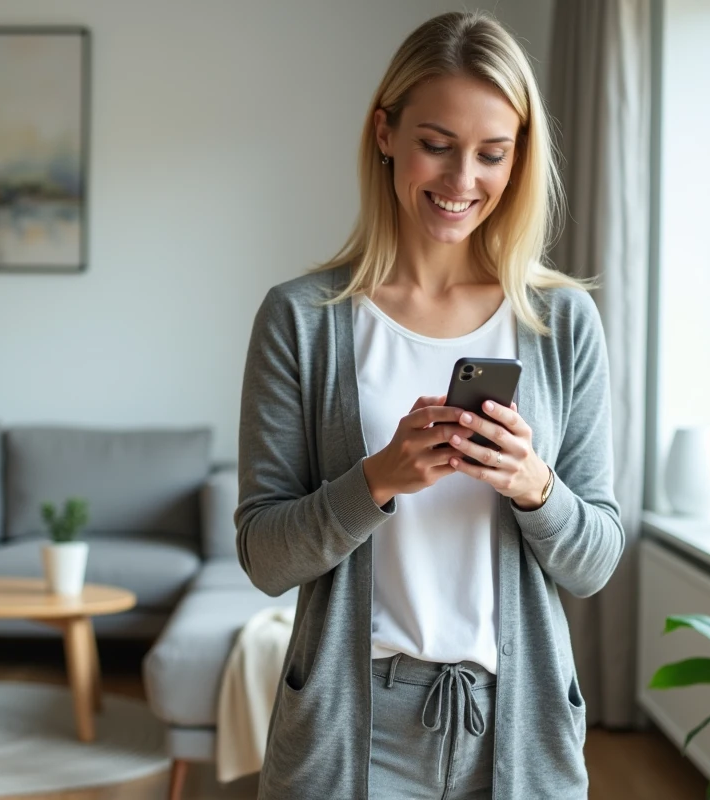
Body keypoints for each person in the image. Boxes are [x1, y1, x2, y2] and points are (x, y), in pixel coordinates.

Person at [234, 9, 625, 800]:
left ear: (519, 160)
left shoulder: (559, 324)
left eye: (492, 153)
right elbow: (264, 558)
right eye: (436, 144)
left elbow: (594, 565)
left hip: (520, 722)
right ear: (385, 132)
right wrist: (375, 478)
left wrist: (534, 487)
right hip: (352, 725)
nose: (461, 181)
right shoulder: (302, 319)